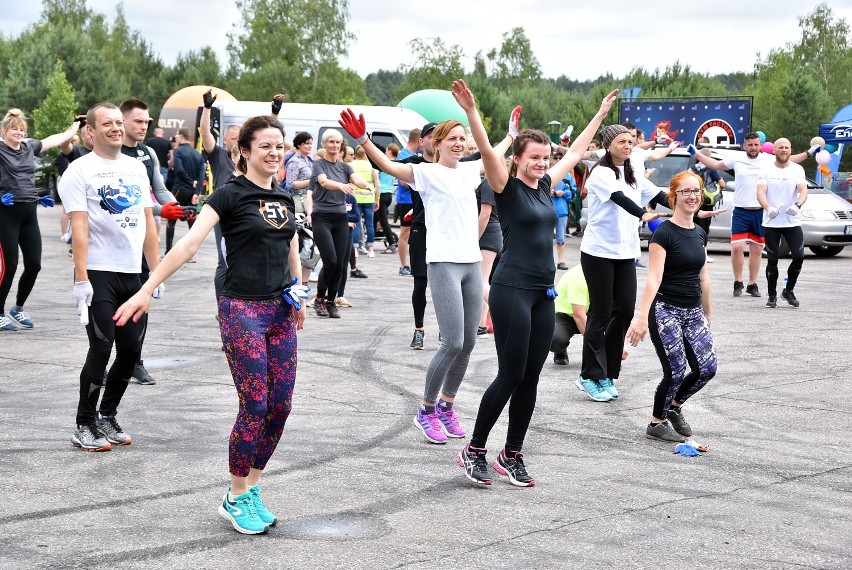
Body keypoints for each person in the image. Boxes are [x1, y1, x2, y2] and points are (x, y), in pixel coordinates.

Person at [114, 114, 305, 535]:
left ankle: (251, 487)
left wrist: (299, 289)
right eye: (265, 147)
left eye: (279, 146)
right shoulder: (228, 195)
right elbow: (188, 243)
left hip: (280, 312)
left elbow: (291, 244)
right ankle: (235, 496)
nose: (274, 154)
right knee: (254, 404)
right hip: (241, 311)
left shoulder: (287, 198)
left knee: (281, 406)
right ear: (245, 152)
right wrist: (148, 287)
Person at [453, 80, 617, 487]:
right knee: (509, 375)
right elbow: (490, 153)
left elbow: (577, 152)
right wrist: (473, 113)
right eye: (535, 158)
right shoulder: (504, 187)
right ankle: (474, 449)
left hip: (545, 293)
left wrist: (599, 115)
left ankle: (512, 453)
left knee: (532, 377)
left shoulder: (545, 185)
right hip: (511, 291)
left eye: (546, 157)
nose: (543, 163)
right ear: (519, 158)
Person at [339, 103, 514, 446]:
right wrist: (363, 139)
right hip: (443, 263)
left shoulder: (469, 171)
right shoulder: (425, 172)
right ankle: (426, 410)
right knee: (451, 341)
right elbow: (388, 164)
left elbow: (494, 154)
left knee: (468, 343)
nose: (459, 143)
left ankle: (447, 407)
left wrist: (510, 134)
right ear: (437, 143)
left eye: (463, 138)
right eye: (453, 138)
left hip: (469, 262)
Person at [58, 102, 161, 452]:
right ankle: (84, 423)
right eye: (108, 123)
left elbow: (149, 222)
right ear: (91, 131)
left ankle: (107, 415)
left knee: (131, 352)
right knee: (101, 347)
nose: (117, 128)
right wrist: (81, 279)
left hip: (134, 275)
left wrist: (155, 274)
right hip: (99, 274)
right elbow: (80, 227)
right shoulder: (78, 171)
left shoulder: (136, 168)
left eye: (120, 122)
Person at [576, 125, 680, 403]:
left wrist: (685, 202)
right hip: (598, 251)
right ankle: (589, 374)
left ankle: (608, 372)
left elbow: (657, 194)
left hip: (625, 253)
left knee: (622, 311)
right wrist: (643, 215)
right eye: (621, 141)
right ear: (608, 145)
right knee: (599, 312)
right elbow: (619, 199)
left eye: (631, 141)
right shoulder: (601, 172)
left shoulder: (631, 172)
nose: (628, 145)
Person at [626, 171, 718, 442]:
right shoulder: (663, 233)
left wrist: (708, 313)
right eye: (686, 192)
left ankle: (675, 406)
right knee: (676, 370)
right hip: (666, 309)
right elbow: (653, 278)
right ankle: (657, 421)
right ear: (673, 196)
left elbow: (704, 276)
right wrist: (641, 317)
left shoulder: (699, 233)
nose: (692, 197)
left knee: (707, 368)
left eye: (696, 191)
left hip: (693, 311)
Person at [691, 134, 816, 297]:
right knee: (737, 247)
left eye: (756, 144)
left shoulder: (767, 159)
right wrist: (696, 153)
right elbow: (714, 164)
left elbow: (789, 158)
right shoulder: (736, 158)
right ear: (744, 145)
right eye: (750, 145)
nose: (753, 148)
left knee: (757, 249)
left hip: (760, 211)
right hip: (741, 210)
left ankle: (752, 284)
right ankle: (738, 282)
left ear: (760, 145)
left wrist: (809, 152)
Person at [119, 98, 186, 385]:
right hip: (114, 242)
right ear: (122, 122)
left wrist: (177, 207)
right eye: (138, 121)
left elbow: (159, 189)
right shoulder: (111, 153)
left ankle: (135, 360)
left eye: (147, 121)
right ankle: (112, 360)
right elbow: (126, 204)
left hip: (142, 239)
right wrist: (162, 210)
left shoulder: (147, 153)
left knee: (142, 301)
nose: (144, 126)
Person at [0, 109, 79, 331]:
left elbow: (53, 140)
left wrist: (74, 128)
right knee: (11, 265)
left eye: (22, 129)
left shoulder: (28, 147)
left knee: (34, 264)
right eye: (14, 128)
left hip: (29, 212)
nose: (19, 132)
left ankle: (18, 308)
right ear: (5, 130)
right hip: (6, 214)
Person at [305, 129, 370, 319]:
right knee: (330, 261)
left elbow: (355, 178)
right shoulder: (319, 164)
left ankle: (331, 301)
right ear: (324, 144)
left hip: (340, 218)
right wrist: (341, 186)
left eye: (338, 142)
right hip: (322, 217)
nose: (334, 145)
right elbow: (323, 182)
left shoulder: (345, 167)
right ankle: (319, 299)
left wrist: (365, 184)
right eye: (331, 142)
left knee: (340, 264)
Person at [756, 138, 808, 308]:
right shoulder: (766, 169)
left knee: (799, 256)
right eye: (780, 147)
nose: (783, 150)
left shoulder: (797, 169)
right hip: (772, 223)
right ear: (774, 151)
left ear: (790, 150)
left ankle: (788, 291)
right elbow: (761, 193)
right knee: (772, 259)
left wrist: (797, 204)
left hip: (792, 221)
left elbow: (803, 191)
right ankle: (772, 296)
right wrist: (768, 207)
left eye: (786, 147)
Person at [200, 89, 241, 301]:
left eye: (240, 139)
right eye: (233, 138)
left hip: (244, 208)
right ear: (225, 139)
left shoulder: (247, 158)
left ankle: (238, 303)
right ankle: (223, 306)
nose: (236, 142)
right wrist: (207, 108)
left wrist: (274, 114)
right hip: (223, 210)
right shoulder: (218, 155)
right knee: (224, 261)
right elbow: (205, 133)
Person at [166, 127, 205, 254]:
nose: (176, 139)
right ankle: (192, 253)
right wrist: (197, 191)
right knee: (191, 220)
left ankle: (168, 250)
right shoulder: (198, 154)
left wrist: (189, 182)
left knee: (171, 219)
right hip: (191, 192)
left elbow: (180, 170)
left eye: (177, 137)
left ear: (181, 136)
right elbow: (201, 175)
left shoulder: (178, 151)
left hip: (180, 189)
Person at [550, 264, 590, 366]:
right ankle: (560, 351)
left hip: (593, 313)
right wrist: (599, 350)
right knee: (555, 340)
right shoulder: (578, 275)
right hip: (565, 314)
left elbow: (620, 312)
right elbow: (579, 315)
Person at [476, 177, 501, 338]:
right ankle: (481, 325)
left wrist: (475, 238)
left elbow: (485, 213)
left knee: (482, 282)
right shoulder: (496, 182)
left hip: (488, 234)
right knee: (483, 281)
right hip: (494, 234)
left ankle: (507, 311)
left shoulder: (488, 182)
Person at [395, 129, 420, 275]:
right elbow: (404, 182)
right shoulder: (404, 155)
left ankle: (413, 263)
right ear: (419, 140)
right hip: (406, 200)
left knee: (414, 233)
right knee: (405, 232)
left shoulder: (414, 155)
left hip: (414, 200)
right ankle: (403, 265)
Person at [350, 145, 380, 257]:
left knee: (356, 224)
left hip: (356, 199)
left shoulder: (351, 165)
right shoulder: (372, 167)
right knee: (370, 224)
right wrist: (377, 199)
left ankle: (355, 249)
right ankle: (371, 249)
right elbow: (377, 185)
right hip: (369, 198)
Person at [377, 143, 399, 254]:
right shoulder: (395, 164)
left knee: (384, 222)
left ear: (389, 151)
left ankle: (392, 244)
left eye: (386, 149)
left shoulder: (384, 164)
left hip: (381, 194)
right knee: (377, 219)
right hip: (389, 194)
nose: (385, 151)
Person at [284, 131, 314, 215]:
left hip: (309, 199)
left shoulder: (309, 160)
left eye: (311, 143)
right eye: (307, 143)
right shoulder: (294, 161)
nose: (310, 146)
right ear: (298, 144)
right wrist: (311, 181)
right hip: (299, 201)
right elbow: (290, 184)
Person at [551, 170, 575, 270]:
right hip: (545, 210)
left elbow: (573, 193)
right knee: (544, 238)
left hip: (561, 211)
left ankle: (561, 261)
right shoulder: (545, 172)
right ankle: (546, 261)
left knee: (561, 239)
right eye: (555, 157)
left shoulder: (568, 176)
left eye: (560, 157)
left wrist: (564, 193)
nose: (558, 159)